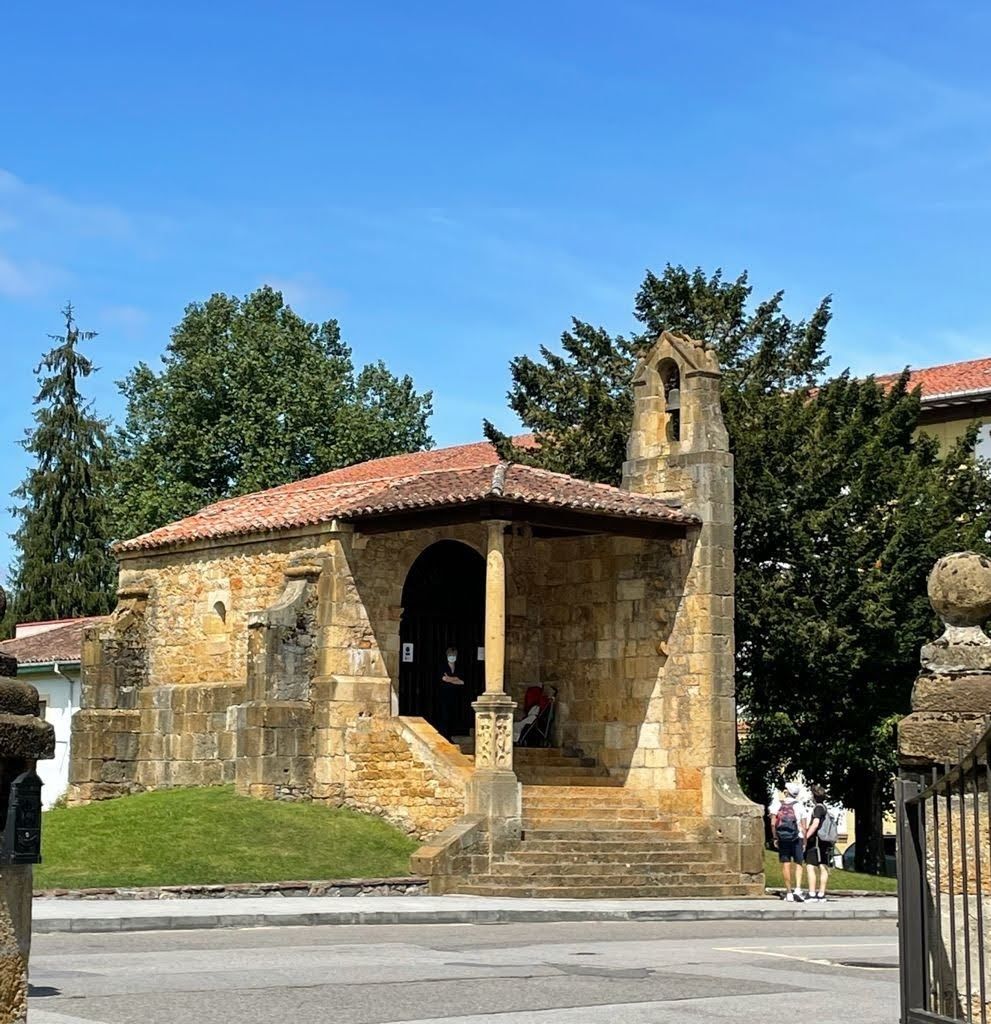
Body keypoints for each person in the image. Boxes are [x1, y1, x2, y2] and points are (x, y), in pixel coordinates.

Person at [769, 781, 809, 901]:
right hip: (798, 837)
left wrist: (775, 837)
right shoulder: (800, 806)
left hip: (783, 838)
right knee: (798, 863)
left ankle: (789, 892)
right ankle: (797, 889)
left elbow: (772, 823)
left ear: (786, 792)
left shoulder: (777, 805)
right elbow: (804, 826)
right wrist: (805, 842)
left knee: (786, 864)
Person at [804, 784, 835, 902]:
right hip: (825, 842)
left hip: (816, 841)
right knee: (823, 866)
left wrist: (806, 836)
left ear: (814, 796)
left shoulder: (817, 809)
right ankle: (821, 894)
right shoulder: (825, 808)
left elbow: (815, 824)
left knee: (811, 866)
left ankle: (812, 894)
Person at [438, 646, 465, 739]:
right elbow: (444, 679)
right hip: (445, 695)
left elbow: (462, 681)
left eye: (453, 655)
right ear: (447, 656)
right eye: (450, 655)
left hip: (456, 696)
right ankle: (444, 734)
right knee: (445, 714)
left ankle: (453, 733)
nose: (452, 657)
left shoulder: (459, 667)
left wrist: (450, 679)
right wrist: (455, 679)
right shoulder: (443, 667)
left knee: (454, 714)